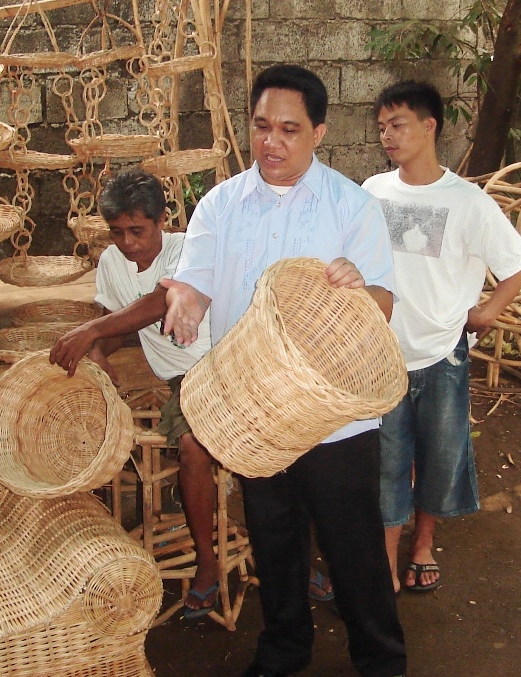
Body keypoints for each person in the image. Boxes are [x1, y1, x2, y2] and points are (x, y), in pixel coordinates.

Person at [161, 64, 406, 677]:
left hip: (333, 420)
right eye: (262, 126)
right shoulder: (220, 205)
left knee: (353, 548)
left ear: (319, 132)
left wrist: (359, 289)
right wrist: (185, 301)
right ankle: (285, 649)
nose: (272, 142)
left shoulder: (352, 206)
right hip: (255, 415)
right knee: (274, 538)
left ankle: (381, 660)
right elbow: (192, 282)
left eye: (290, 130)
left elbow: (383, 304)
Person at [48, 169, 332, 621]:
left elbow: (161, 303)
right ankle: (207, 562)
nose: (129, 242)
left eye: (138, 230)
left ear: (163, 219)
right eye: (118, 233)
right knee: (194, 448)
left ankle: (297, 561)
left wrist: (93, 331)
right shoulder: (109, 263)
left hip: (229, 365)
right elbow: (117, 321)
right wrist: (99, 352)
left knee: (283, 449)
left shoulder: (188, 249)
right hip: (187, 380)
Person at [362, 81, 521, 594]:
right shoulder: (373, 191)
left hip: (442, 355)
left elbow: (520, 263)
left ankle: (423, 544)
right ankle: (386, 562)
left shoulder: (468, 202)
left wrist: (487, 312)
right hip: (384, 356)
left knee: (439, 455)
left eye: (398, 125)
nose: (388, 136)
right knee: (387, 459)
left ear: (429, 126)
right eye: (382, 128)